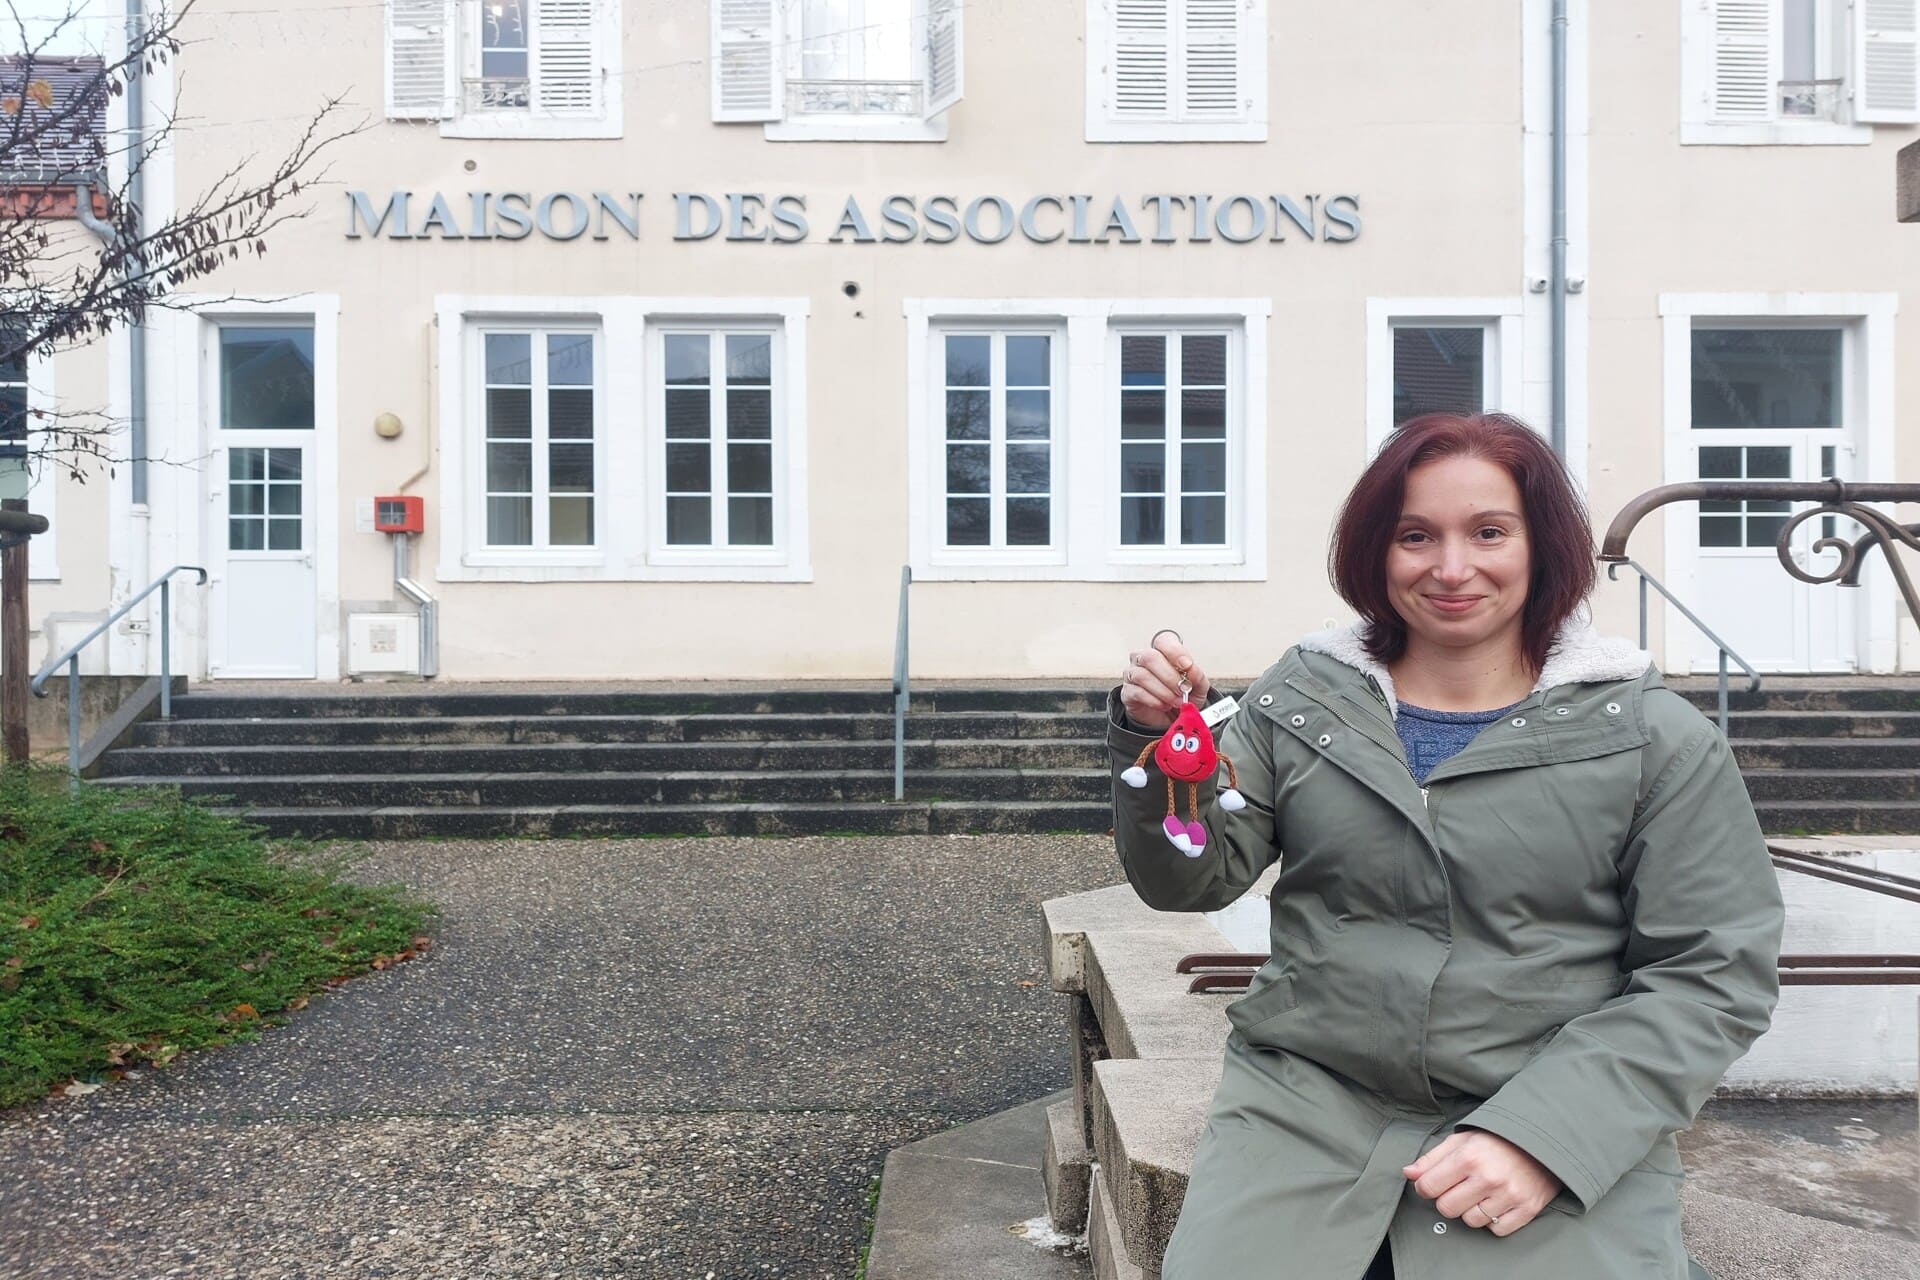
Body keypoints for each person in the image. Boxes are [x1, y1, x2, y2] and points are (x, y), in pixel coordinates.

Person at [1107, 412, 1784, 1279]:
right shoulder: (1303, 699)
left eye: (1489, 532)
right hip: (1304, 1105)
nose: (1452, 568)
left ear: (1543, 547)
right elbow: (1190, 881)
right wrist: (1159, 746)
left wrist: (1543, 1139)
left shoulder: (1653, 738)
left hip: (1545, 1104)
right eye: (1415, 536)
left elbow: (1711, 973)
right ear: (1374, 553)